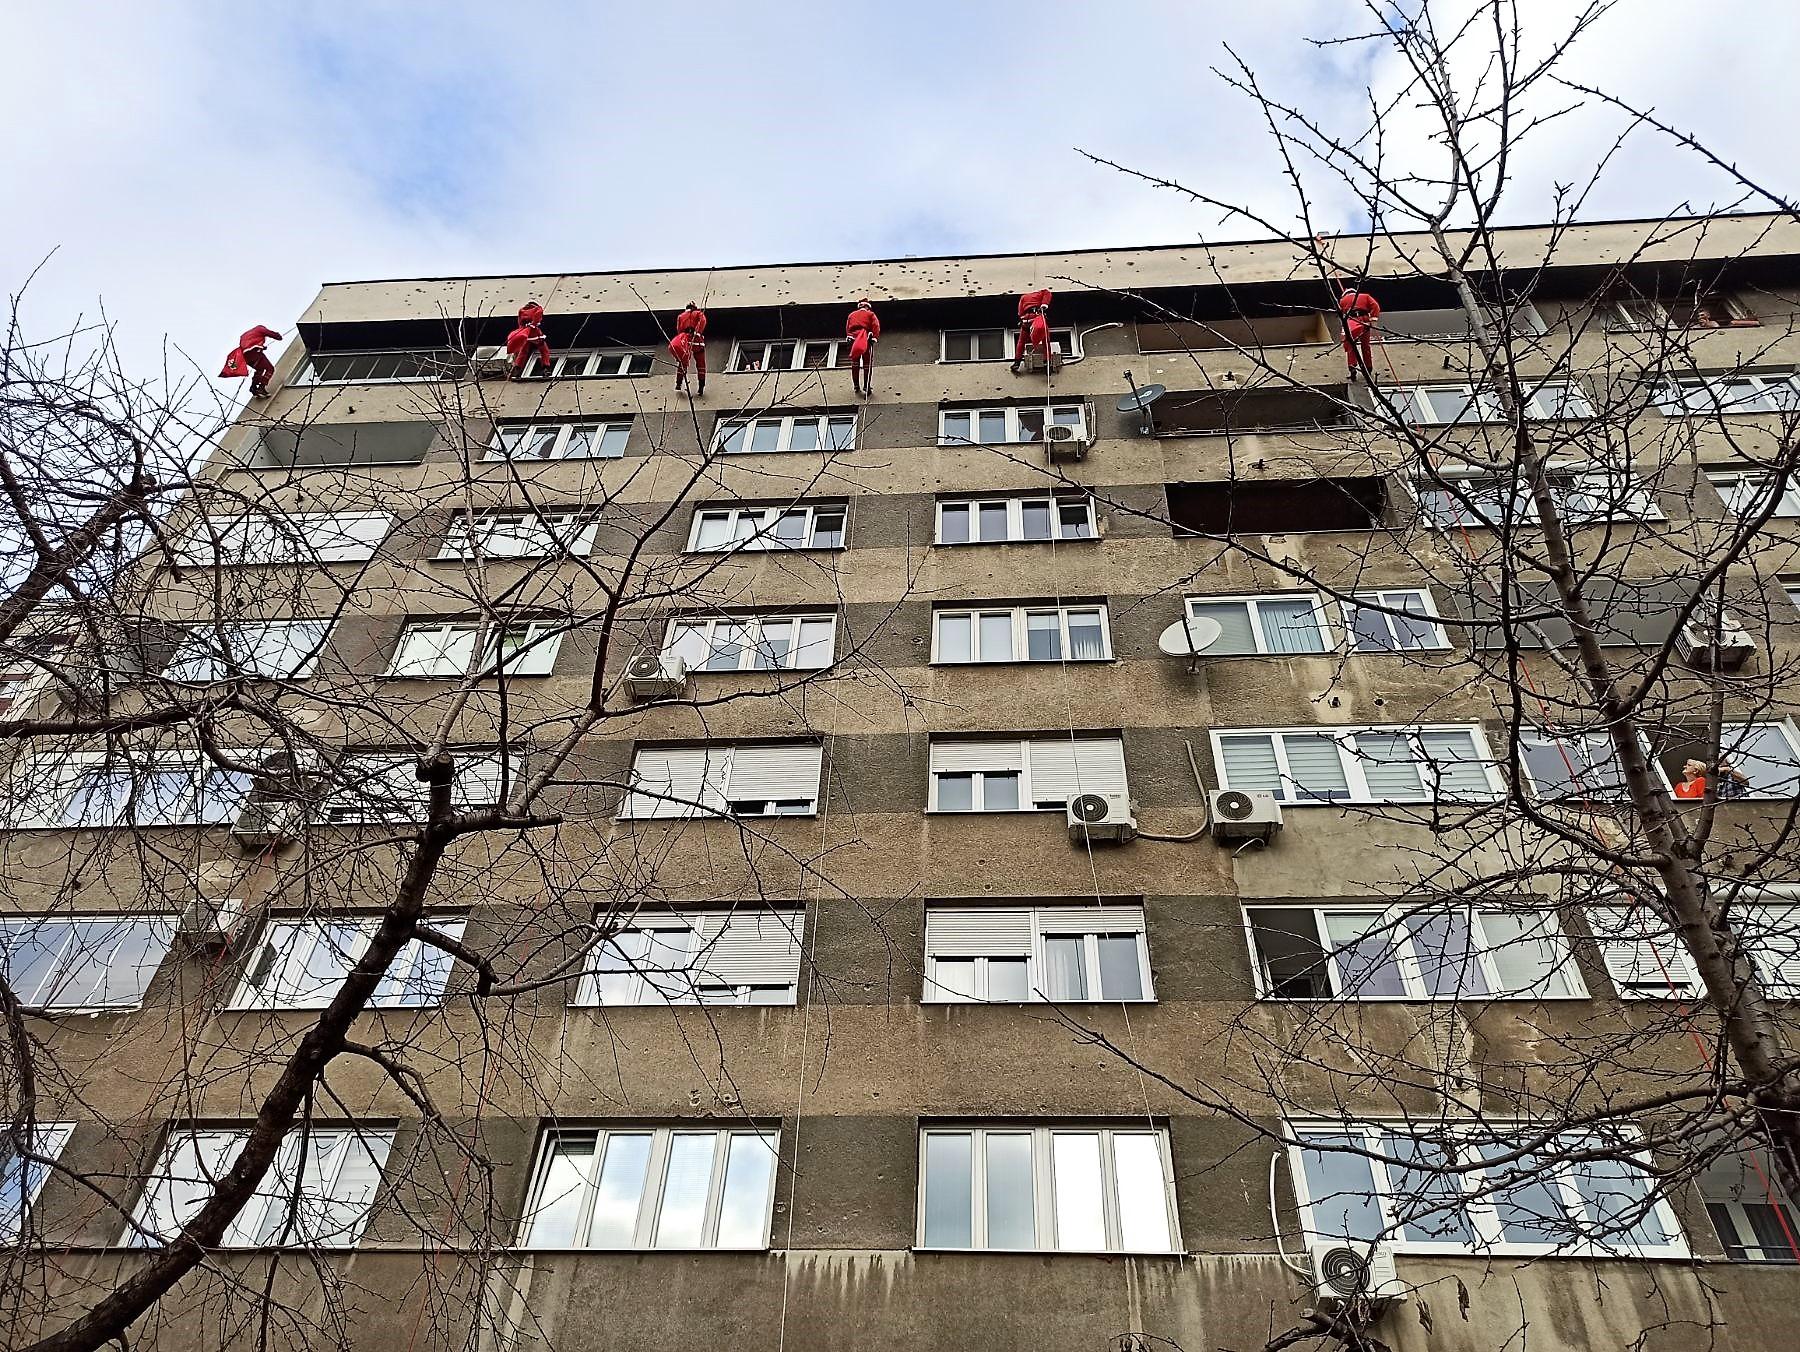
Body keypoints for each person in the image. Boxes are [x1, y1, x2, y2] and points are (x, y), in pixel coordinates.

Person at [221, 324, 283, 398]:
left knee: (260, 369)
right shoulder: (260, 328)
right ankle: (261, 388)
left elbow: (247, 344)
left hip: (246, 357)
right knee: (270, 369)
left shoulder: (245, 335)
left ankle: (253, 387)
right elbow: (271, 334)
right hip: (254, 352)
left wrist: (262, 347)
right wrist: (278, 336)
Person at [1337, 284, 1381, 380]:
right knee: (1365, 345)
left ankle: (1352, 367)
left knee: (1350, 345)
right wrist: (1373, 319)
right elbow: (1375, 306)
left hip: (1351, 321)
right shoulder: (1365, 296)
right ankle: (1368, 368)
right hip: (1364, 320)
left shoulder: (1342, 301)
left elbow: (1341, 314)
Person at [670, 302, 708, 396]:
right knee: (701, 363)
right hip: (697, 340)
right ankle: (701, 386)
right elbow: (702, 321)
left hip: (686, 340)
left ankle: (679, 383)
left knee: (683, 361)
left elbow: (679, 330)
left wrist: (682, 338)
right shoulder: (699, 313)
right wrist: (697, 332)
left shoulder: (681, 316)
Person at [1011, 288, 1053, 373]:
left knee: (1021, 341)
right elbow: (1047, 293)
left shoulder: (1023, 297)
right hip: (1037, 318)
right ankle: (1047, 362)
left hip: (1026, 320)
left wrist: (1023, 318)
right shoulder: (1042, 292)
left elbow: (1020, 312)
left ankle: (1017, 362)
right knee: (1046, 341)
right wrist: (1044, 304)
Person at [845, 299, 880, 397]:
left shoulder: (851, 315)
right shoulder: (870, 315)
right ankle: (866, 385)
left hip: (854, 338)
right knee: (867, 364)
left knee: (855, 363)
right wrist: (874, 337)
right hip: (865, 337)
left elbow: (847, 328)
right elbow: (875, 325)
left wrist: (849, 336)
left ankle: (856, 385)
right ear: (867, 307)